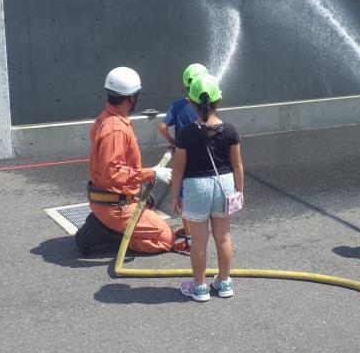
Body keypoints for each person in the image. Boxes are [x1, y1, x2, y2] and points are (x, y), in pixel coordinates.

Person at [77, 66, 187, 255]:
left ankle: (109, 225)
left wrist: (139, 187)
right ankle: (112, 233)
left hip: (111, 199)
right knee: (165, 238)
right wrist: (152, 173)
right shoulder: (116, 129)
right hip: (115, 207)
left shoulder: (106, 119)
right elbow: (113, 173)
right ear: (131, 98)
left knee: (149, 210)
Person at [171, 74, 244, 301]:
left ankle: (200, 287)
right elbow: (237, 164)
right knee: (223, 238)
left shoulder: (185, 134)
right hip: (224, 184)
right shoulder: (230, 130)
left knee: (199, 241)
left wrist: (175, 196)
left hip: (196, 187)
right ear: (219, 100)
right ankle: (224, 283)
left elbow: (179, 169)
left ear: (190, 102)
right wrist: (239, 191)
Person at [157, 63, 208, 255]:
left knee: (184, 201)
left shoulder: (178, 106)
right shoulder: (207, 108)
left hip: (183, 159)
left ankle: (188, 238)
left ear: (186, 86)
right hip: (204, 161)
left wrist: (171, 141)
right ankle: (199, 233)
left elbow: (162, 127)